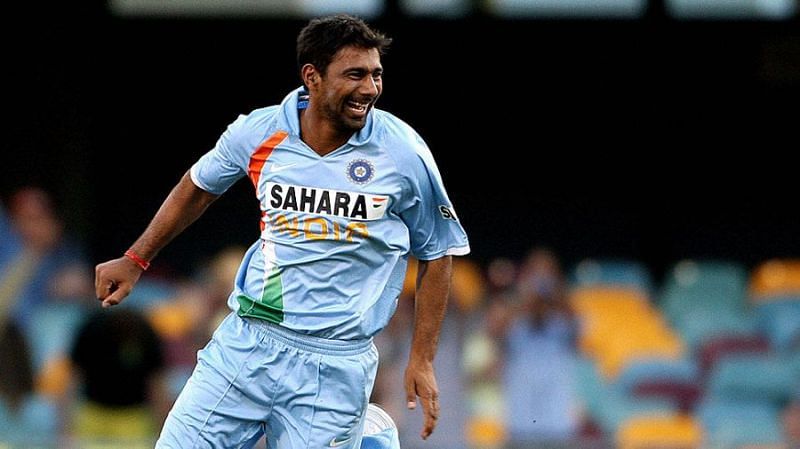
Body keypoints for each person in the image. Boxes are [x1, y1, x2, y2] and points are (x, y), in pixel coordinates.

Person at [94, 13, 469, 449]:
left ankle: (370, 433)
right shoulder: (260, 131)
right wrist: (137, 257)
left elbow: (438, 251)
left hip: (335, 361)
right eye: (355, 74)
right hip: (249, 339)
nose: (370, 89)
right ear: (312, 77)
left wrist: (421, 358)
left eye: (376, 75)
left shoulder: (402, 152)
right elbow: (198, 186)